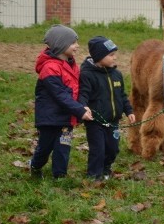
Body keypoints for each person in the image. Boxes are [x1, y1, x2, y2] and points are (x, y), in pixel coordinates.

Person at [29, 25, 94, 178]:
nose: (77, 46)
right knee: (45, 148)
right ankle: (35, 165)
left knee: (63, 147)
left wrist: (83, 105)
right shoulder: (50, 68)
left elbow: (77, 90)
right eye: (73, 42)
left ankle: (60, 176)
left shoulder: (73, 66)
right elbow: (60, 95)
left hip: (66, 117)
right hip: (50, 118)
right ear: (61, 44)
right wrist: (79, 110)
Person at [79, 36, 135, 181]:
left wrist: (129, 111)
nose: (115, 58)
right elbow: (83, 93)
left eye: (114, 54)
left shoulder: (117, 75)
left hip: (113, 121)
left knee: (113, 148)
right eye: (111, 55)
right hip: (95, 121)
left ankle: (105, 169)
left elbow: (122, 95)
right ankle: (93, 175)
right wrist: (83, 107)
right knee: (98, 149)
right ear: (99, 56)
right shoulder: (87, 75)